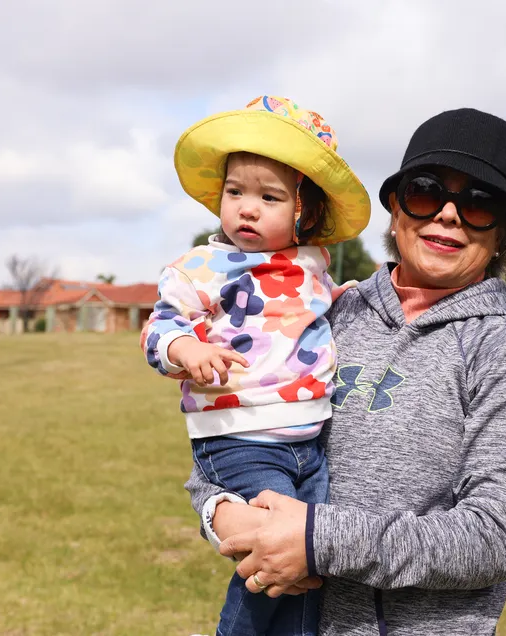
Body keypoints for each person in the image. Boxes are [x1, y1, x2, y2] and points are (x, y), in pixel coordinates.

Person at [185, 106, 506, 636]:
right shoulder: (322, 311)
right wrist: (222, 514)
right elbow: (230, 438)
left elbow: (495, 537)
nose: (448, 215)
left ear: (503, 233)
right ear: (395, 208)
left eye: (480, 203)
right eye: (426, 192)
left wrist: (316, 542)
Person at [141, 95, 370, 636]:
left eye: (269, 197)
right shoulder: (203, 267)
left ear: (304, 212)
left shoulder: (311, 263)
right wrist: (188, 351)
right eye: (235, 192)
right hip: (239, 437)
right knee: (270, 552)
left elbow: (315, 311)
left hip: (309, 442)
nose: (247, 208)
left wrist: (353, 297)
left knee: (307, 567)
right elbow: (159, 328)